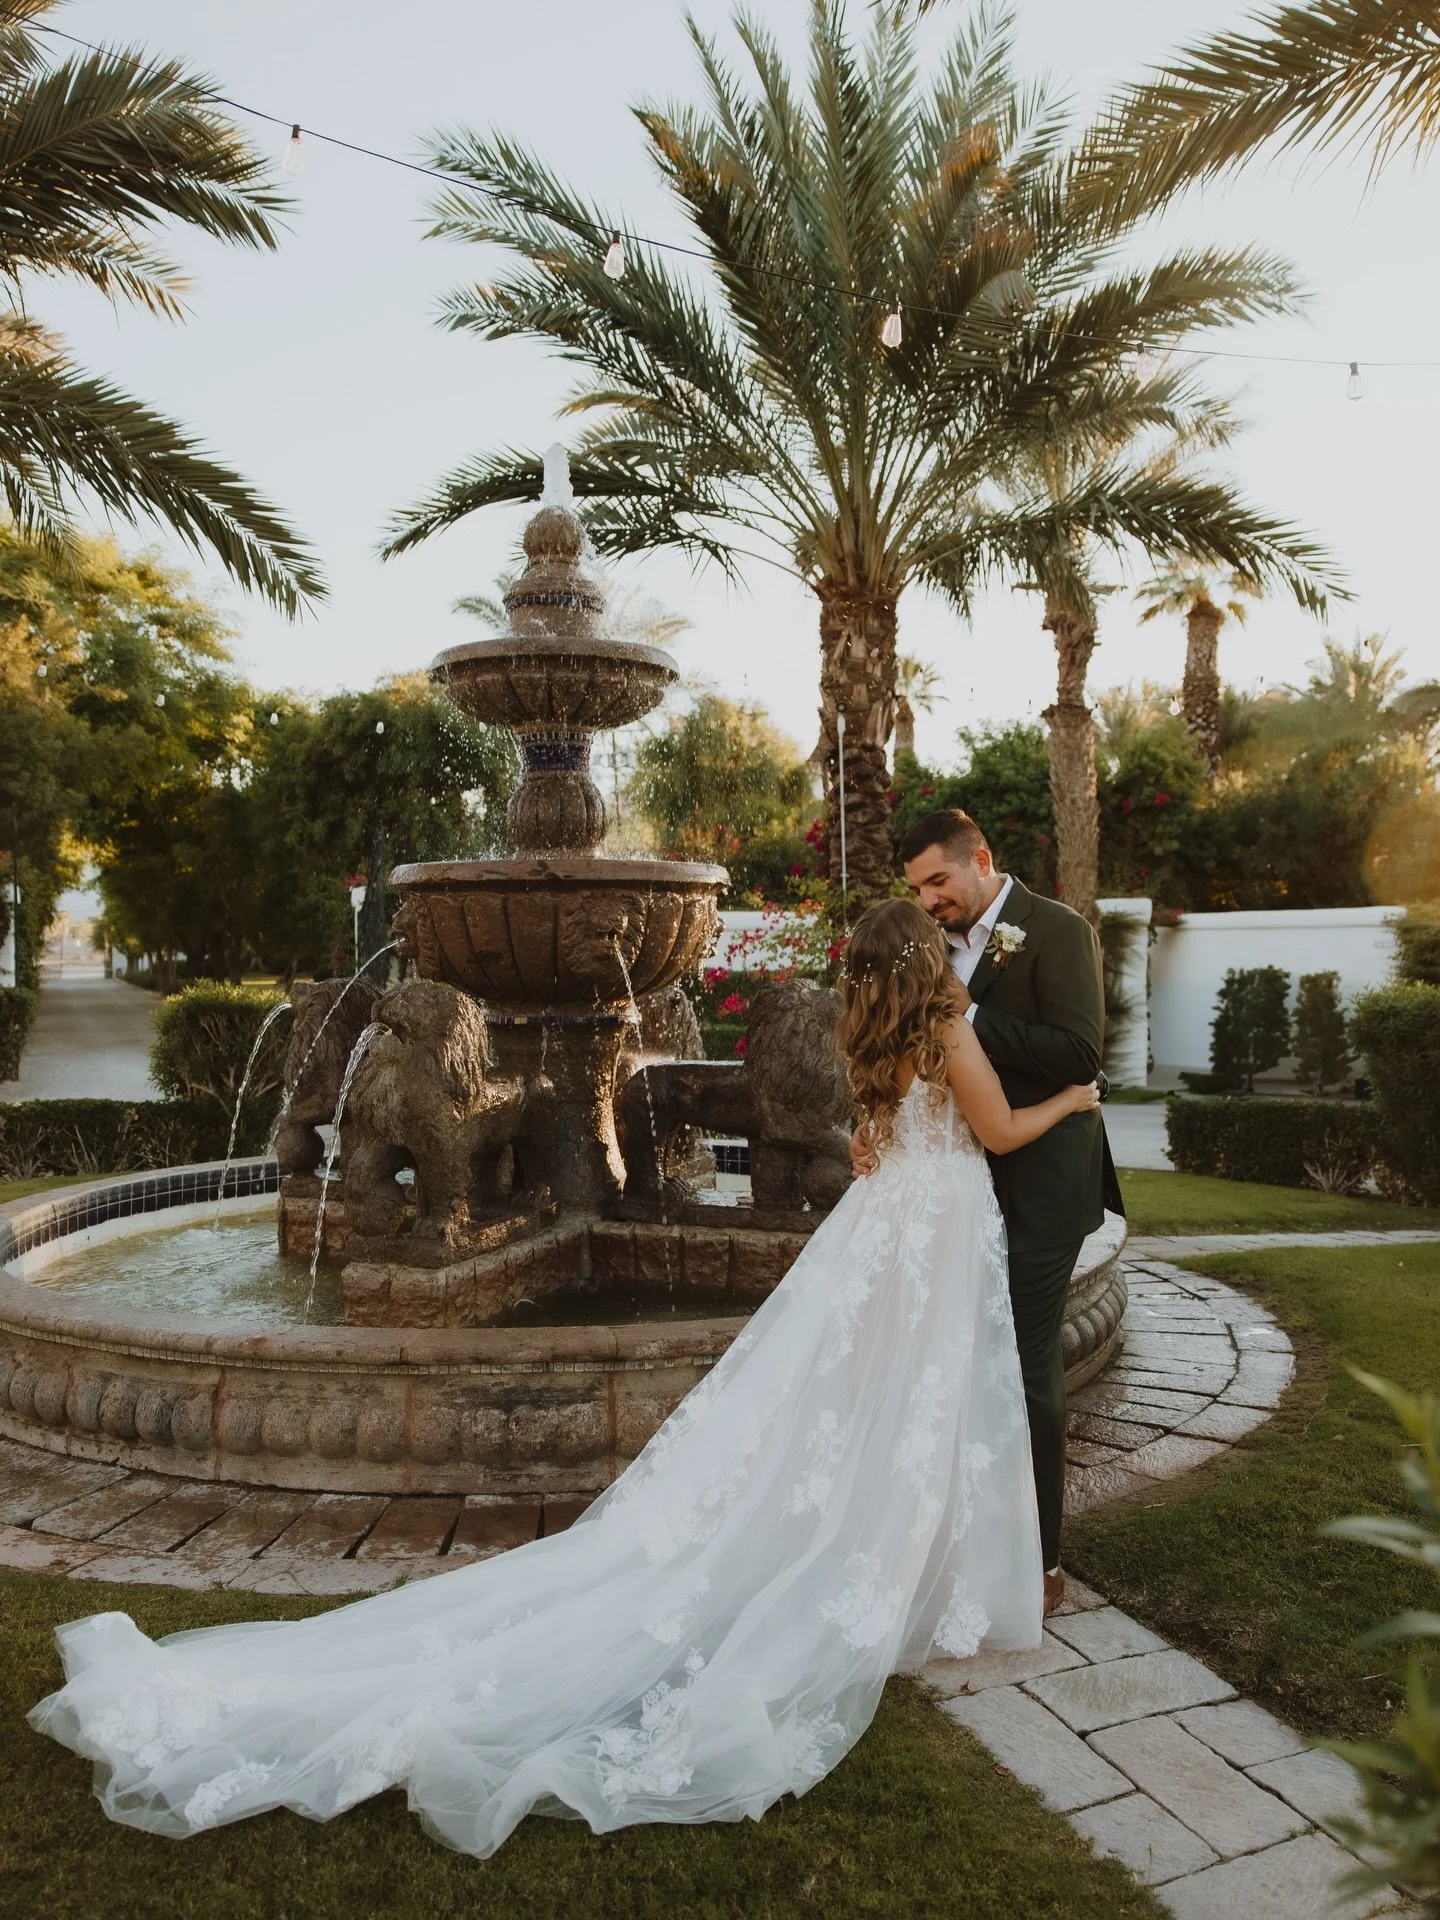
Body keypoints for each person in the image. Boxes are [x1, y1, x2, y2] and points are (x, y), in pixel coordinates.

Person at [29, 899, 1097, 1860]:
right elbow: (998, 1128)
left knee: (859, 1396)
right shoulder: (947, 1027)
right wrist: (1076, 1102)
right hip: (941, 1221)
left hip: (889, 1222)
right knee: (920, 1396)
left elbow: (867, 1143)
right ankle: (919, 1565)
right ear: (926, 965)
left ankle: (887, 1557)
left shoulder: (871, 1037)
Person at [857, 810, 1123, 1616]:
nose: (931, 900)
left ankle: (1040, 1558)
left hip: (1038, 1179)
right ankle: (957, 1535)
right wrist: (869, 1136)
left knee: (1027, 1360)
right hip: (954, 1190)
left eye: (939, 882)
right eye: (918, 890)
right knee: (947, 1362)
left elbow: (1081, 1056)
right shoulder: (923, 946)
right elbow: (900, 1057)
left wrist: (971, 1017)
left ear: (981, 861)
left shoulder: (1057, 930)